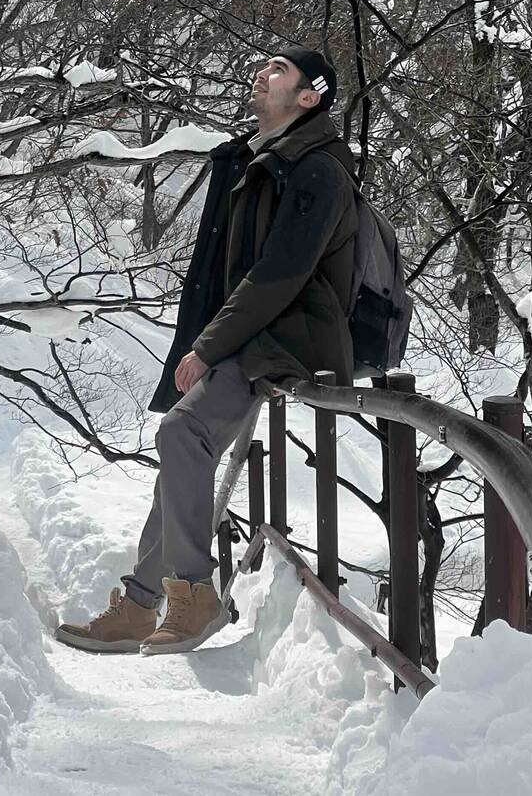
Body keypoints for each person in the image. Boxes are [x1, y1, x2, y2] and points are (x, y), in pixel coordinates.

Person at [56, 44, 357, 656]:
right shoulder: (259, 157)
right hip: (251, 332)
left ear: (309, 97)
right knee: (182, 460)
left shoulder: (318, 169)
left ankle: (194, 594)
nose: (262, 72)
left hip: (286, 337)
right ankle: (140, 606)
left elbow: (282, 272)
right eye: (264, 64)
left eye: (280, 69)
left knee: (182, 434)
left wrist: (210, 344)